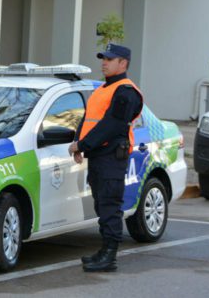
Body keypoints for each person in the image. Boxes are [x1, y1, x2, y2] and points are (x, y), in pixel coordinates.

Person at [68, 43, 143, 272]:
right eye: (103, 58)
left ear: (123, 63)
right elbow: (90, 119)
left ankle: (110, 256)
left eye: (109, 59)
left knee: (110, 205)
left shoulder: (126, 91)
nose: (104, 62)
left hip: (112, 157)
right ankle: (104, 250)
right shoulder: (103, 89)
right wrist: (80, 144)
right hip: (99, 156)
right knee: (102, 204)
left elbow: (112, 125)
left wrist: (83, 144)